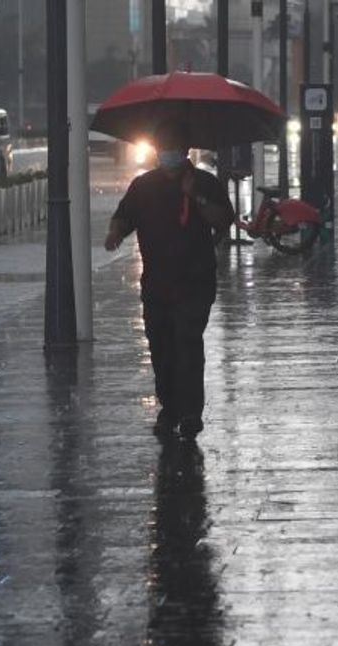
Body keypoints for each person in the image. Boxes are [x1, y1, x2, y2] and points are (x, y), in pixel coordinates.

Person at [104, 122, 234, 440]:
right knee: (162, 348)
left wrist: (197, 199)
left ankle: (190, 413)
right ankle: (169, 409)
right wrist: (116, 232)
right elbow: (124, 215)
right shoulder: (143, 185)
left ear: (185, 152)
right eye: (163, 149)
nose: (168, 155)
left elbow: (224, 219)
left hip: (195, 282)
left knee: (188, 346)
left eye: (173, 148)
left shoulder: (205, 182)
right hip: (157, 284)